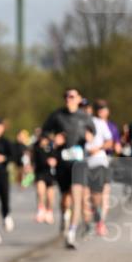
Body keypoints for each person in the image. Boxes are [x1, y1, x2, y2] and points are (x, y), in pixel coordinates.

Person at [41, 87, 92, 249]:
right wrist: (53, 141)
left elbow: (92, 134)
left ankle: (71, 232)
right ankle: (64, 215)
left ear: (79, 99)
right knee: (65, 198)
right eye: (66, 96)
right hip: (62, 162)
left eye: (71, 96)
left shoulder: (85, 117)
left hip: (79, 162)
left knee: (77, 197)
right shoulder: (57, 116)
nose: (68, 99)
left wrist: (89, 137)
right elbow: (43, 136)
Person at [83, 117, 113, 236]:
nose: (86, 136)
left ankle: (99, 220)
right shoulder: (82, 143)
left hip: (99, 166)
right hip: (84, 168)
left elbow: (110, 142)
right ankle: (93, 220)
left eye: (88, 133)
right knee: (87, 196)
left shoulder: (97, 143)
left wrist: (97, 149)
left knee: (98, 195)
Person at [32, 130, 57, 224]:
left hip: (50, 174)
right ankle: (41, 209)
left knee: (50, 196)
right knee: (40, 191)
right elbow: (34, 161)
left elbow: (56, 158)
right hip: (40, 173)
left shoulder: (52, 148)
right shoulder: (36, 148)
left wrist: (54, 161)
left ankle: (49, 212)